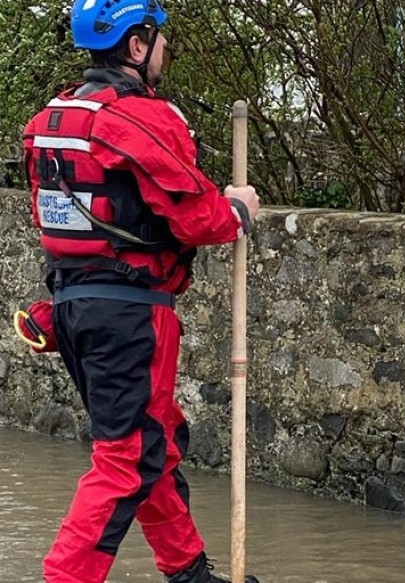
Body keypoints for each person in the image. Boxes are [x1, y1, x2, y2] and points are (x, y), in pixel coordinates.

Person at [22, 0, 261, 581]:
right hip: (131, 316)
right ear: (136, 44)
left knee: (152, 443)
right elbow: (193, 217)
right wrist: (237, 211)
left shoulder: (52, 118)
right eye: (159, 41)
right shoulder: (138, 119)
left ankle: (188, 572)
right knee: (126, 459)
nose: (164, 53)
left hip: (75, 308)